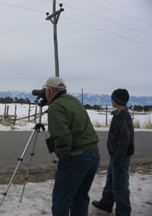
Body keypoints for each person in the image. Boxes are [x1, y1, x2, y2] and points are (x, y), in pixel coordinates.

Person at [44, 76, 100, 216]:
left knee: (61, 199)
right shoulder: (73, 100)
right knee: (80, 197)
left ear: (49, 92)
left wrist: (62, 154)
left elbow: (63, 136)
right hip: (93, 153)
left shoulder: (56, 107)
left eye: (45, 90)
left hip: (76, 157)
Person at [92, 88, 134, 216]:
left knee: (120, 185)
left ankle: (123, 211)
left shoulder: (124, 117)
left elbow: (125, 140)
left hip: (120, 157)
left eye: (112, 98)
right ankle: (106, 203)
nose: (111, 100)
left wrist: (118, 157)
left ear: (117, 100)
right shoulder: (118, 114)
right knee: (111, 180)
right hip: (115, 155)